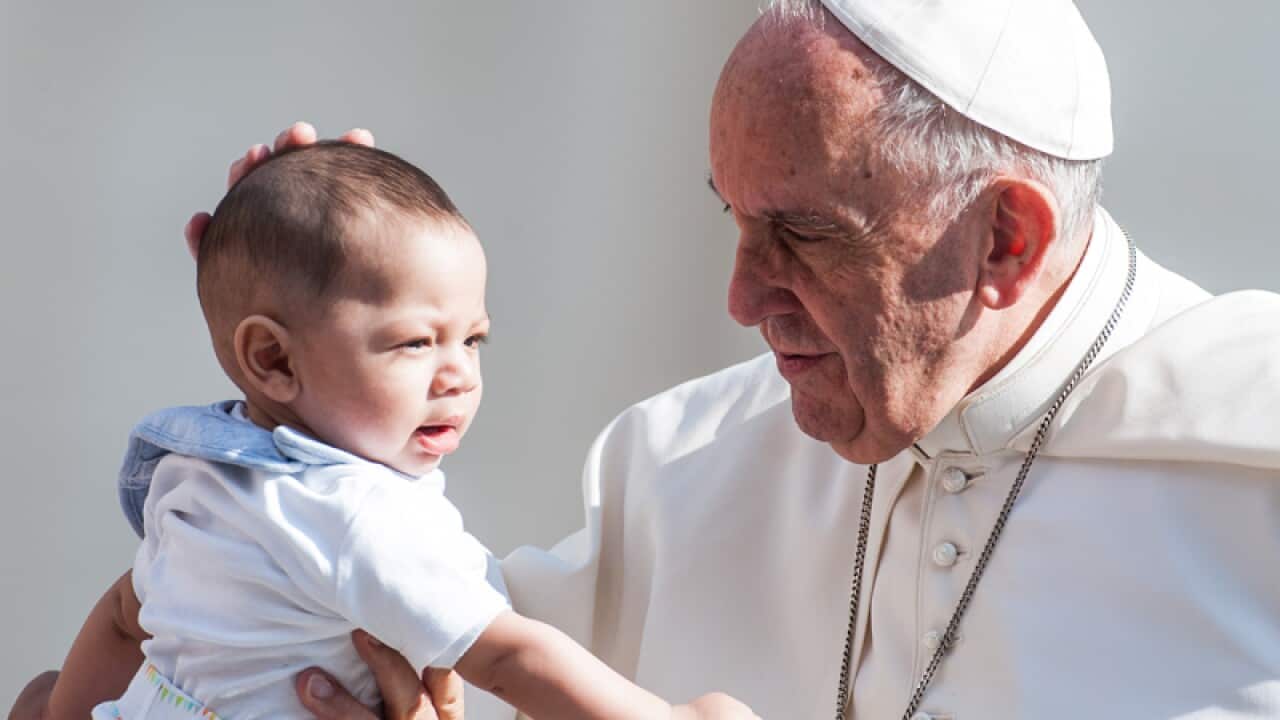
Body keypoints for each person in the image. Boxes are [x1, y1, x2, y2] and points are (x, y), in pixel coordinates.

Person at [13, 0, 1280, 717]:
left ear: (1004, 237)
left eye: (799, 237)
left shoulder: (1253, 448)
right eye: (729, 220)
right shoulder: (679, 466)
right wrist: (302, 309)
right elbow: (323, 640)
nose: (740, 297)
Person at [22, 142, 755, 720]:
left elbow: (128, 615)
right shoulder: (358, 517)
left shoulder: (202, 466)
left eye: (473, 340)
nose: (459, 375)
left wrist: (60, 711)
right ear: (272, 358)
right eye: (415, 344)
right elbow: (507, 658)